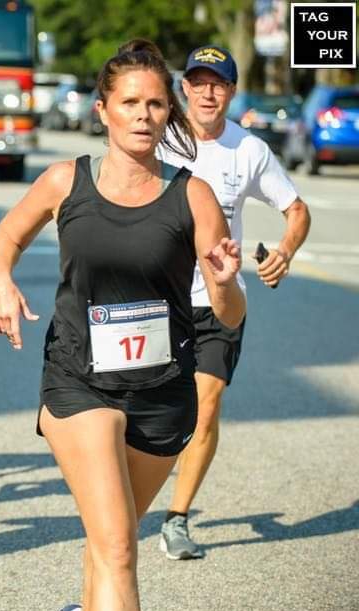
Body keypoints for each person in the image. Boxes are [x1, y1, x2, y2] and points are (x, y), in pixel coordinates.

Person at [0, 40, 245, 611]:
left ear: (168, 114)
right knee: (121, 549)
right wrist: (0, 278)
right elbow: (8, 233)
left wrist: (227, 282)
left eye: (155, 104)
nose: (143, 114)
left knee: (112, 539)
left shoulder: (193, 195)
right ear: (102, 110)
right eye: (129, 102)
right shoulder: (64, 181)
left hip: (162, 391)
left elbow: (228, 315)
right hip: (80, 383)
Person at [155, 45, 311, 560]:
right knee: (145, 411)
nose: (207, 92)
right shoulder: (159, 138)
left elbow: (297, 209)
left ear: (231, 90)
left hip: (219, 300)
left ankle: (176, 519)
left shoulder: (249, 150)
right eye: (198, 81)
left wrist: (284, 251)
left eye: (217, 83)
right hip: (157, 298)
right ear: (183, 88)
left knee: (206, 407)